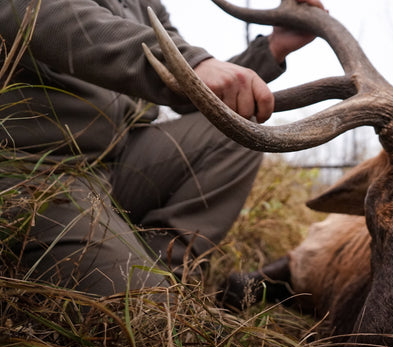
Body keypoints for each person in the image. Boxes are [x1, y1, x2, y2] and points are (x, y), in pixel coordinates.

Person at [0, 0, 324, 295]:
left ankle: (168, 273)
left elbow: (182, 80)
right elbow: (45, 17)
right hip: (42, 169)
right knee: (147, 308)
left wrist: (272, 47)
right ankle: (150, 291)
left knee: (236, 132)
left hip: (121, 163)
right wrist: (193, 62)